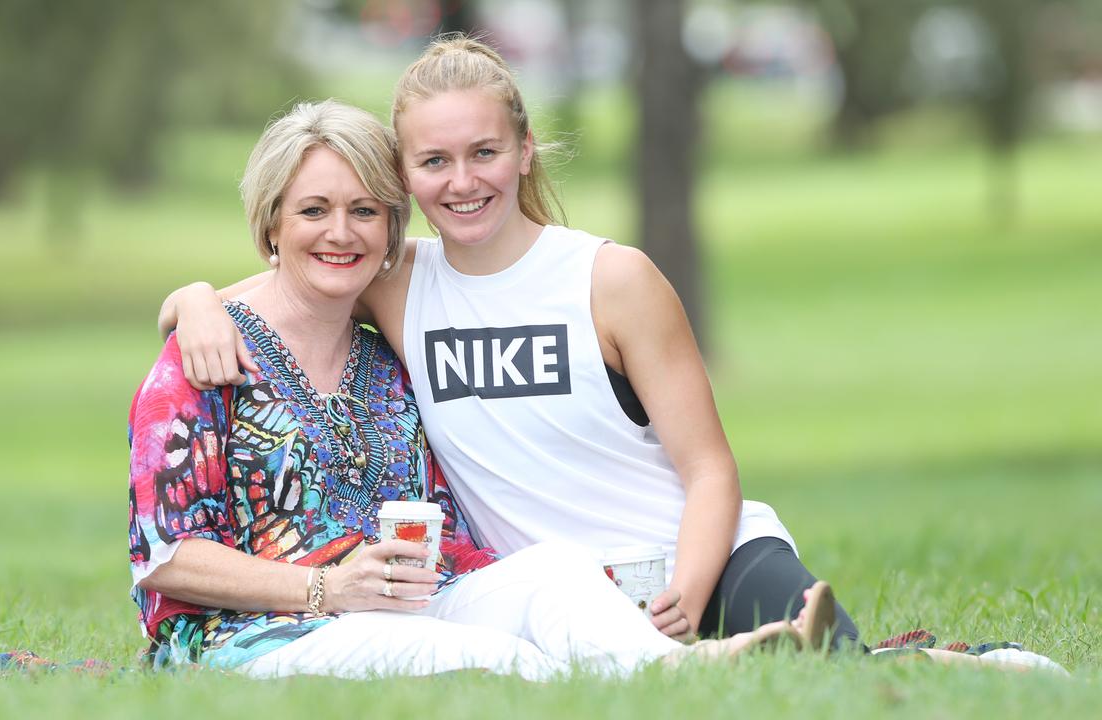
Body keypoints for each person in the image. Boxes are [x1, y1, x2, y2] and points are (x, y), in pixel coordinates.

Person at [157, 35, 861, 650]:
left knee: (829, 665)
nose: (462, 182)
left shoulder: (611, 279)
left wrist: (688, 594)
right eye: (434, 161)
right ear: (403, 176)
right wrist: (191, 302)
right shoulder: (394, 281)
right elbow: (260, 297)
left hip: (708, 558)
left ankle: (918, 663)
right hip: (555, 595)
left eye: (484, 153)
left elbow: (710, 469)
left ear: (524, 152)